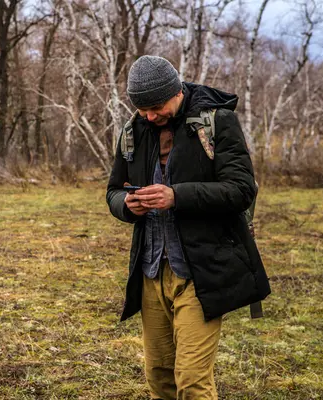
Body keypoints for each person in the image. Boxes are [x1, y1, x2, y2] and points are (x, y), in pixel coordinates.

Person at [106, 55, 271, 399]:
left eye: (155, 107)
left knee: (193, 382)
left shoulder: (217, 121)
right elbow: (113, 191)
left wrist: (176, 196)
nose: (150, 116)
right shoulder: (134, 129)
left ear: (175, 92)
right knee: (159, 376)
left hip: (201, 272)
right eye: (142, 109)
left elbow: (241, 189)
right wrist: (127, 205)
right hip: (151, 272)